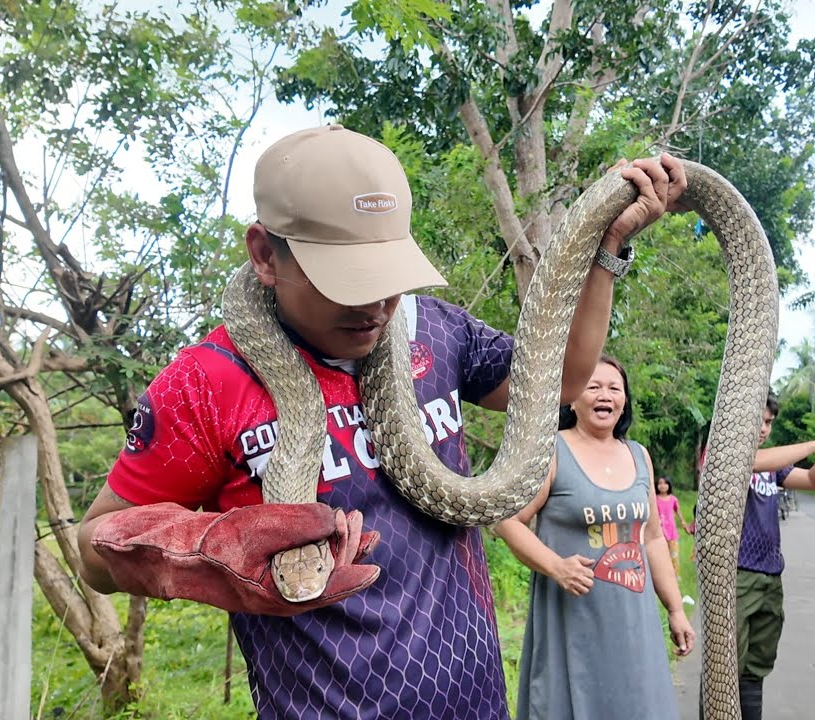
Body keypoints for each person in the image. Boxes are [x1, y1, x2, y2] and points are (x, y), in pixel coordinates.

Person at [75, 124, 688, 719]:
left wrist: (606, 252)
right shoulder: (206, 382)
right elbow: (96, 553)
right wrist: (206, 550)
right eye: (346, 281)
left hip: (473, 700)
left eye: (388, 278)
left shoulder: (436, 331)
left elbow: (561, 383)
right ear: (265, 254)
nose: (374, 306)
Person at [494, 356, 695, 720]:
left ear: (624, 401)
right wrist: (556, 566)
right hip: (572, 620)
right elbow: (507, 520)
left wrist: (676, 609)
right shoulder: (551, 451)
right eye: (593, 386)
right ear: (571, 398)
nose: (605, 395)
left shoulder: (639, 456)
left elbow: (651, 538)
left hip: (635, 623)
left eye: (614, 388)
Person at [735, 393, 815, 720]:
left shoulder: (774, 466)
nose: (763, 428)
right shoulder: (724, 452)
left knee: (756, 666)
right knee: (725, 667)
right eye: (758, 419)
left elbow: (813, 481)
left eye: (769, 422)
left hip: (770, 575)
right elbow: (751, 460)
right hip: (736, 576)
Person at [655, 476, 693, 576]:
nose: (662, 486)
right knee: (661, 556)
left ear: (669, 485)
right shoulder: (655, 499)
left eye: (665, 483)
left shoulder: (673, 499)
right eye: (660, 483)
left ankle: (675, 577)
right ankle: (662, 576)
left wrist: (685, 525)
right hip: (659, 532)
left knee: (674, 556)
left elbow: (678, 513)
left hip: (671, 532)